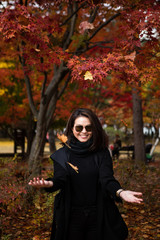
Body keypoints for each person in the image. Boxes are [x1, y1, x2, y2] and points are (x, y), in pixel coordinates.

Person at [29, 108, 143, 240]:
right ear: (72, 129)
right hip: (71, 216)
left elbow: (106, 179)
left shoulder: (102, 153)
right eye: (79, 128)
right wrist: (48, 183)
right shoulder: (62, 155)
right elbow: (60, 179)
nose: (84, 131)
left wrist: (121, 192)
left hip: (98, 213)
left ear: (94, 129)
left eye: (88, 127)